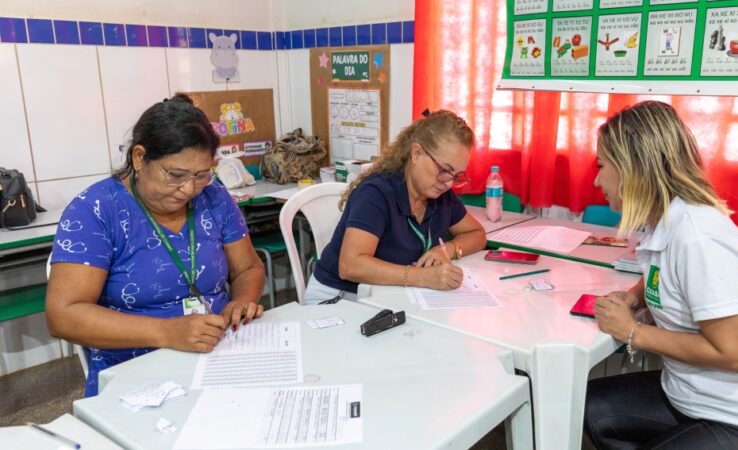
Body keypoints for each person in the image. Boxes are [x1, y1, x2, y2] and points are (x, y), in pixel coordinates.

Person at [585, 100, 738, 449]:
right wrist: (636, 296)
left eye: (602, 165)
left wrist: (633, 331)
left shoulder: (700, 237)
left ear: (633, 168)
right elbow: (666, 273)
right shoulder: (667, 219)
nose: (596, 179)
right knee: (593, 408)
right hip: (695, 397)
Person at [46, 94, 265, 396]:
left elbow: (248, 268)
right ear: (139, 157)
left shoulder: (213, 197)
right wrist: (166, 332)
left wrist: (240, 301)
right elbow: (63, 315)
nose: (189, 189)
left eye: (201, 174)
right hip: (132, 372)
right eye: (175, 175)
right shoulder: (96, 210)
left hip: (216, 355)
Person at [304, 110, 487, 304]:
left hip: (389, 295)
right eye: (445, 170)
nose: (449, 183)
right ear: (416, 154)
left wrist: (445, 250)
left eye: (457, 176)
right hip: (339, 297)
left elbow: (477, 234)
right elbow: (350, 266)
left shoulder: (441, 195)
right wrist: (423, 278)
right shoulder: (376, 193)